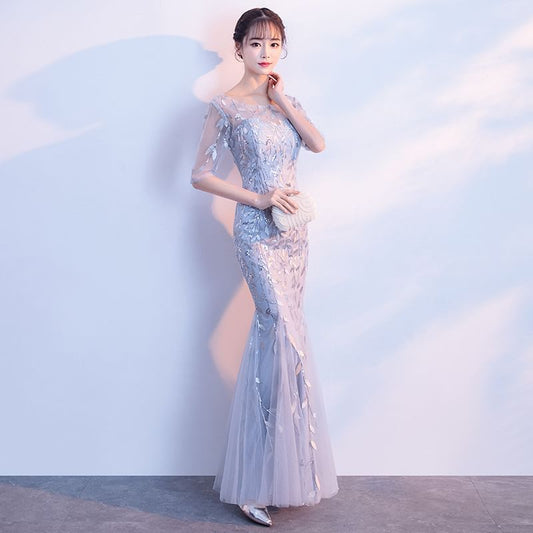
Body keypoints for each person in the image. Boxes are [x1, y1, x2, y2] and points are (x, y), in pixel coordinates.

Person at [190, 7, 339, 527]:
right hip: (256, 229)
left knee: (290, 339)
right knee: (274, 328)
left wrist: (283, 101)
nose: (265, 52)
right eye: (255, 43)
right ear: (238, 49)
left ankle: (286, 472)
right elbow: (199, 175)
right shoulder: (225, 106)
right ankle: (254, 480)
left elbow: (317, 144)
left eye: (274, 43)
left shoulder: (284, 102)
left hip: (294, 232)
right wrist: (258, 197)